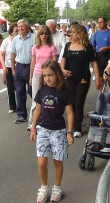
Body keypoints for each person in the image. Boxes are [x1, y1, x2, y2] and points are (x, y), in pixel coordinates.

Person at [30, 60, 74, 203]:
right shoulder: (42, 90)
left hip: (59, 131)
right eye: (44, 75)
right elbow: (38, 109)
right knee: (42, 162)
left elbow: (70, 113)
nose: (47, 78)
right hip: (42, 129)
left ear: (58, 75)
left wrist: (70, 132)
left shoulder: (65, 92)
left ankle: (57, 187)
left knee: (57, 161)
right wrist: (33, 127)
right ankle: (43, 187)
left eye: (50, 75)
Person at [61, 24, 100, 138]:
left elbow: (94, 63)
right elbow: (63, 60)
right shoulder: (68, 45)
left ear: (80, 34)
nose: (70, 34)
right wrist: (62, 70)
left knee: (79, 102)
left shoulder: (87, 47)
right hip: (70, 78)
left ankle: (77, 128)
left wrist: (97, 78)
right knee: (70, 103)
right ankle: (70, 126)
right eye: (70, 32)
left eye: (73, 32)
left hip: (83, 78)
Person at [28, 25, 58, 131]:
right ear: (38, 35)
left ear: (48, 35)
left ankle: (47, 119)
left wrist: (56, 77)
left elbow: (55, 63)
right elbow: (33, 63)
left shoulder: (52, 47)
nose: (44, 36)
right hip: (37, 74)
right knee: (36, 99)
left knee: (49, 98)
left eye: (45, 33)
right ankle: (32, 122)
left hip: (49, 75)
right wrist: (30, 77)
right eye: (41, 33)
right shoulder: (35, 48)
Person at [11, 19, 35, 124]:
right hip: (19, 67)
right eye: (19, 26)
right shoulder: (15, 39)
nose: (20, 28)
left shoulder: (34, 38)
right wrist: (13, 68)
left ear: (27, 27)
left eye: (22, 26)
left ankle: (38, 110)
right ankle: (21, 115)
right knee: (19, 91)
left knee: (32, 90)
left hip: (31, 66)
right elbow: (12, 54)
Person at [92, 17, 110, 89]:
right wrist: (91, 54)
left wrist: (106, 48)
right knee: (100, 78)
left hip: (109, 56)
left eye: (101, 22)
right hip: (99, 56)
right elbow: (93, 46)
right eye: (98, 22)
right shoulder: (96, 34)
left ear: (106, 23)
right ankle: (102, 95)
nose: (99, 24)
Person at [0, 23, 18, 113]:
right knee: (10, 87)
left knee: (18, 86)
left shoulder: (19, 40)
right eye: (16, 31)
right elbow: (1, 54)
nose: (17, 32)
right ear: (11, 32)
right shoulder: (6, 41)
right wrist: (3, 66)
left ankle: (20, 105)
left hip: (18, 66)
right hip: (8, 66)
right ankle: (12, 106)